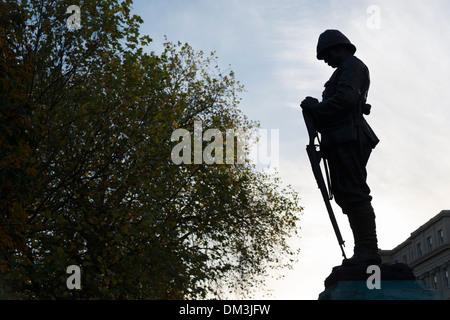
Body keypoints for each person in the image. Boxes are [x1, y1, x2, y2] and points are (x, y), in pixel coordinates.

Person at [301, 29, 381, 266]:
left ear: (337, 48)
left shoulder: (352, 67)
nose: (326, 62)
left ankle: (368, 250)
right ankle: (363, 251)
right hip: (339, 138)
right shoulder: (343, 71)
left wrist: (317, 108)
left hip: (349, 137)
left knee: (354, 192)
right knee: (346, 194)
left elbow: (345, 100)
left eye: (326, 56)